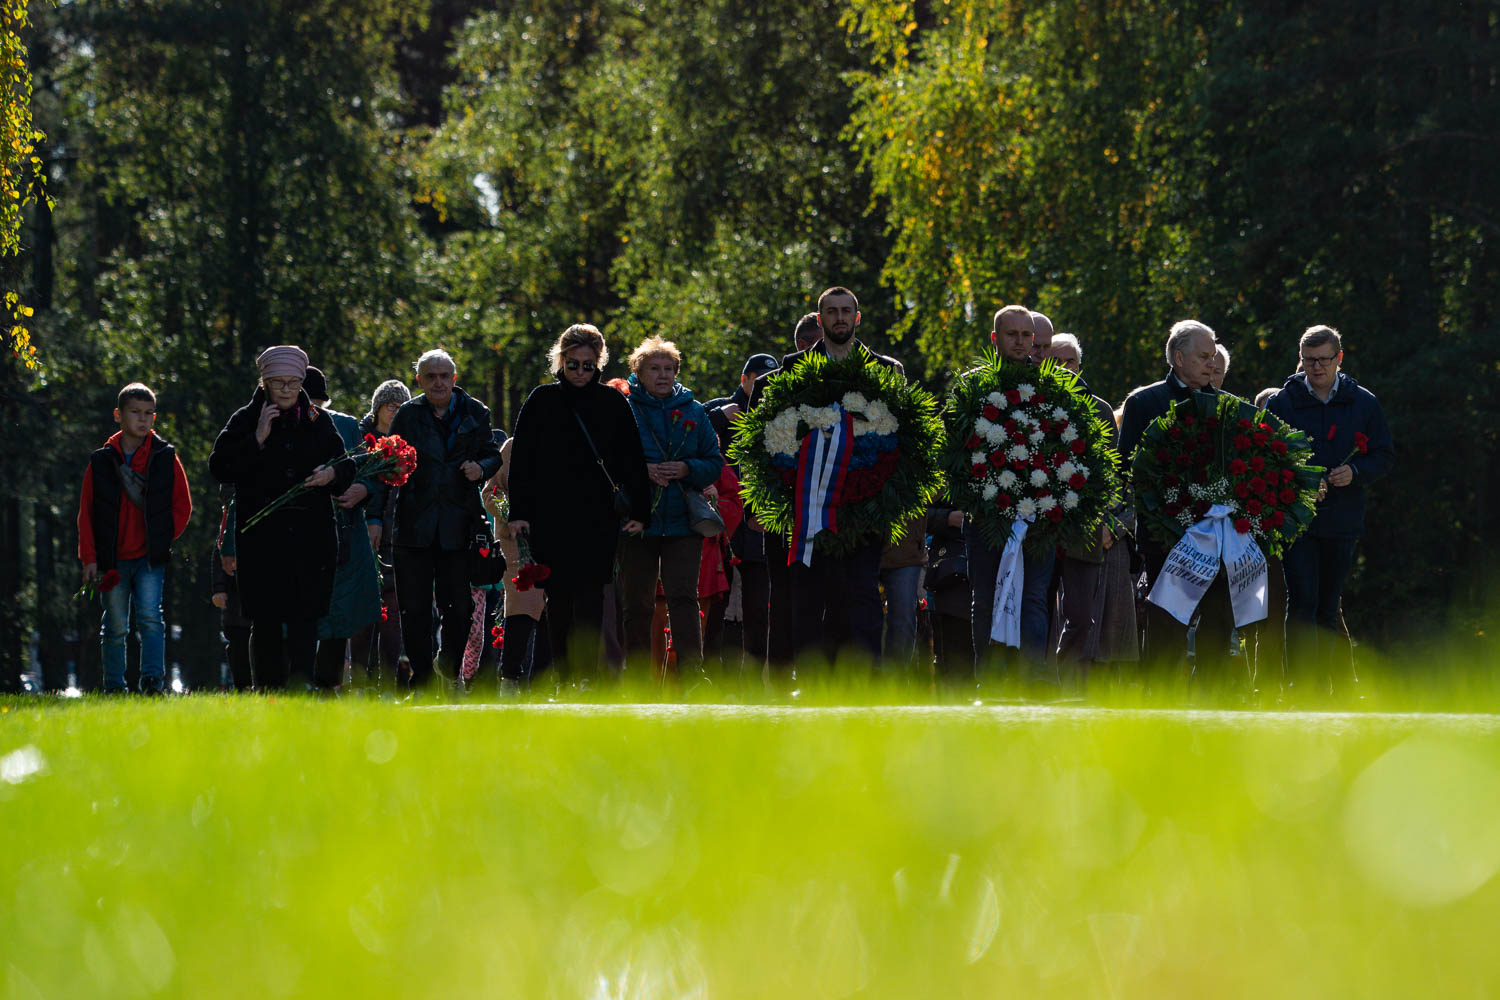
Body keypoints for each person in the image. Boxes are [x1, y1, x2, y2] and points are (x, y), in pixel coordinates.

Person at [748, 286, 902, 670]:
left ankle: (864, 680)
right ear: (819, 320)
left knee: (862, 594)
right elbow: (756, 450)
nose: (839, 318)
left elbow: (903, 443)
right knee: (806, 598)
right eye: (830, 312)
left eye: (846, 311)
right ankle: (811, 679)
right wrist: (760, 505)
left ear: (857, 317)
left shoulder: (885, 372)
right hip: (806, 507)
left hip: (865, 507)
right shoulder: (783, 377)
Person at [508, 324, 650, 683]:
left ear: (598, 363)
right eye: (573, 365)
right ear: (561, 360)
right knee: (557, 599)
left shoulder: (613, 402)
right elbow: (523, 461)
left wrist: (640, 511)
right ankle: (565, 675)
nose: (581, 372)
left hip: (596, 516)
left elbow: (632, 459)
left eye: (589, 365)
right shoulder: (542, 400)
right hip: (549, 515)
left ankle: (586, 676)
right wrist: (519, 513)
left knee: (590, 598)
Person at [209, 346, 354, 688]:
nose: (287, 390)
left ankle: (302, 689)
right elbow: (220, 467)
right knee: (266, 620)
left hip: (311, 537)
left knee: (306, 619)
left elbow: (346, 465)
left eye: (293, 382)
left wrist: (330, 475)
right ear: (264, 383)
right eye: (278, 383)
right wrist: (256, 438)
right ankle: (268, 691)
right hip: (263, 539)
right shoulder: (244, 419)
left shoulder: (320, 421)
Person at [1265, 325, 1394, 701]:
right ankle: (1303, 687)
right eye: (1309, 361)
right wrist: (1301, 481)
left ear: (1339, 359)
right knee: (1301, 599)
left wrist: (1355, 472)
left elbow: (1384, 455)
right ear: (1300, 360)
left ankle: (1333, 689)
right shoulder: (1283, 403)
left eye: (1323, 360)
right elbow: (1264, 459)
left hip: (1343, 520)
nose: (1316, 368)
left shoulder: (1363, 402)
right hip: (1297, 519)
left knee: (1328, 601)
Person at [1118, 321, 1235, 695]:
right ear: (1178, 357)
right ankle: (1162, 700)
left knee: (1218, 616)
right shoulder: (1144, 402)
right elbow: (1127, 468)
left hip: (1216, 533)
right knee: (1168, 621)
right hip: (1164, 534)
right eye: (1203, 357)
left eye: (1213, 357)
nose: (1210, 363)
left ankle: (1211, 697)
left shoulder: (1225, 406)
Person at [382, 349, 502, 691]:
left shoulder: (475, 411)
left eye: (444, 375)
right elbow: (391, 456)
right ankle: (422, 684)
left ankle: (447, 666)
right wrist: (394, 469)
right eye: (430, 376)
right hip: (413, 527)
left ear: (454, 378)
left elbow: (492, 454)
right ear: (419, 381)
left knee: (460, 608)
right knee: (414, 610)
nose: (438, 382)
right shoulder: (407, 414)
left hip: (459, 526)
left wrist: (481, 468)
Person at [617, 336, 725, 684]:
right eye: (654, 368)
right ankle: (636, 679)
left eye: (668, 369)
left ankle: (693, 677)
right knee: (637, 603)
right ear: (638, 372)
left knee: (683, 598)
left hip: (683, 522)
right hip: (638, 521)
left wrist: (686, 469)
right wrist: (641, 471)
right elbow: (607, 462)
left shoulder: (694, 410)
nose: (662, 375)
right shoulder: (623, 409)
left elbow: (714, 461)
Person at [76, 381, 193, 694]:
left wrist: (162, 538)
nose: (143, 419)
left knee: (151, 620)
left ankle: (152, 681)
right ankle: (114, 685)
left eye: (149, 414)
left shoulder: (165, 457)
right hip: (111, 559)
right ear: (118, 415)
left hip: (149, 558)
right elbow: (86, 513)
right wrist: (89, 558)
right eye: (135, 413)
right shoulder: (101, 461)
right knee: (114, 626)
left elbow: (183, 505)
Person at [967, 306, 1058, 692]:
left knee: (1034, 598)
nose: (1021, 342)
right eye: (1012, 335)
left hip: (1040, 516)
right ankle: (989, 679)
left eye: (1027, 335)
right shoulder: (972, 388)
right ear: (995, 339)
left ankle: (1032, 678)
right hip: (988, 515)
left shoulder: (1054, 390)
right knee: (986, 597)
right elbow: (956, 451)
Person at [1046, 334, 1132, 690]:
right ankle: (1044, 683)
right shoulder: (1034, 402)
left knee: (1083, 617)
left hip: (1087, 529)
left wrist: (1112, 523)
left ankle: (1070, 685)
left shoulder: (1098, 408)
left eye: (1071, 362)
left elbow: (1113, 473)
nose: (1065, 368)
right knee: (1043, 611)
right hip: (1044, 526)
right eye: (1057, 360)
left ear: (1080, 367)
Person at [304, 366, 384, 693]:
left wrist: (362, 489)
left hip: (343, 532)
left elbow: (368, 471)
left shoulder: (347, 425)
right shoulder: (276, 424)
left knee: (341, 608)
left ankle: (327, 683)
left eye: (317, 402)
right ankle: (295, 680)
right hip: (298, 531)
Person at [351, 378, 411, 690]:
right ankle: (359, 682)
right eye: (391, 405)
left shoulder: (409, 444)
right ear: (377, 409)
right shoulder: (361, 441)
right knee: (362, 616)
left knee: (393, 619)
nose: (396, 411)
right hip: (364, 539)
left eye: (402, 405)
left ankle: (388, 684)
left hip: (397, 540)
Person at [484, 438, 550, 687]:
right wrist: (512, 515)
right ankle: (510, 677)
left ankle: (542, 683)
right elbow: (491, 492)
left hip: (556, 542)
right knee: (522, 605)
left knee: (553, 612)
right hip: (517, 542)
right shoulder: (513, 447)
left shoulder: (569, 443)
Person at [211, 485, 252, 691]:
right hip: (235, 599)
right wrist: (219, 588)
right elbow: (219, 555)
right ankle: (242, 686)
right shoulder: (228, 520)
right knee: (238, 643)